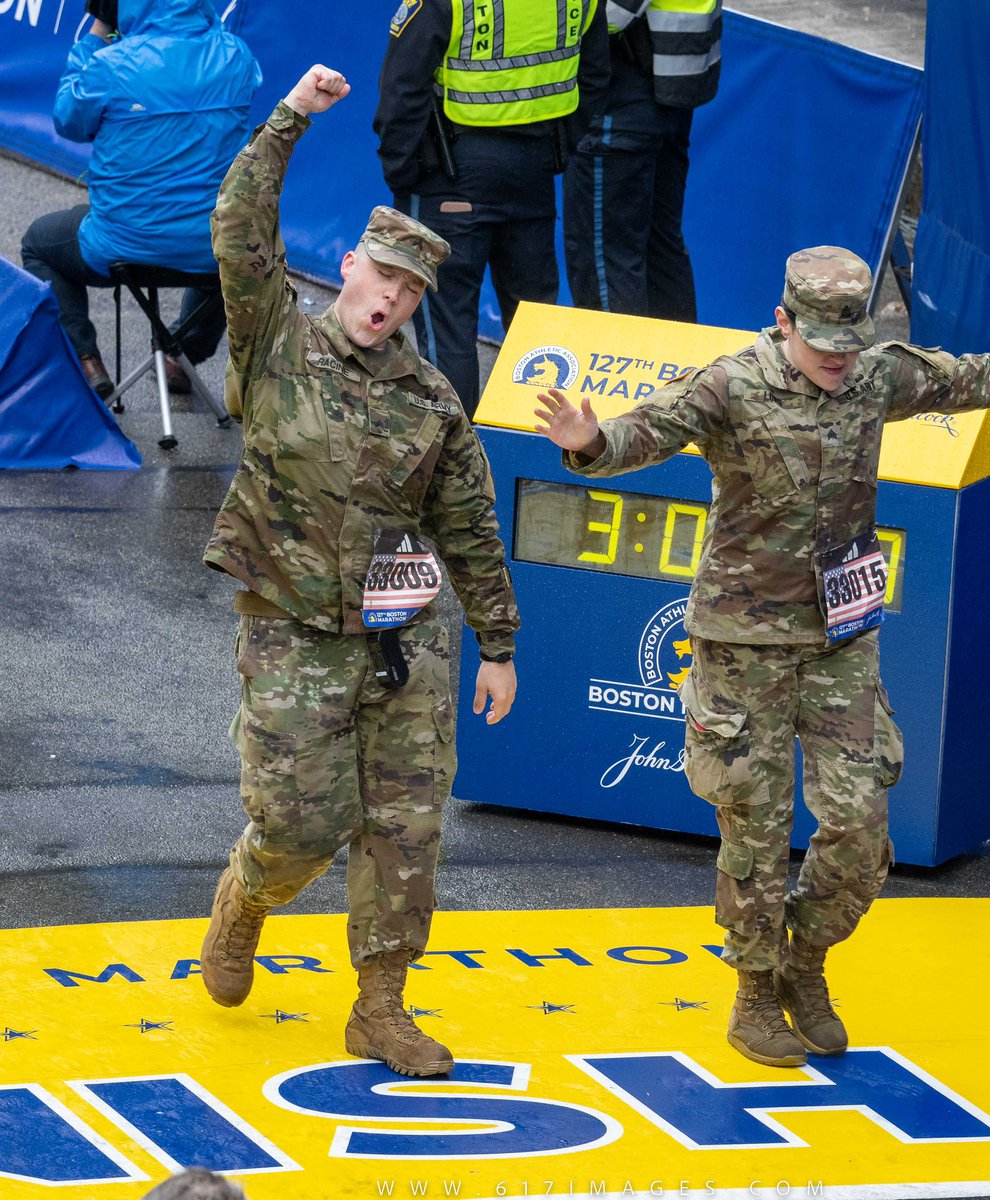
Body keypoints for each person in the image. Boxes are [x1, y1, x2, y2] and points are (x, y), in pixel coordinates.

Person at [534, 246, 990, 1069]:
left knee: (861, 827)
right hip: (742, 642)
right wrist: (589, 442)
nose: (837, 362)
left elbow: (984, 377)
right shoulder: (733, 383)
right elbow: (647, 428)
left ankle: (805, 959)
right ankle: (754, 993)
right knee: (753, 828)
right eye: (821, 346)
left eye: (848, 346)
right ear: (784, 322)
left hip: (840, 639)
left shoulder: (877, 374)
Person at [198, 64, 520, 1079]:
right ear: (350, 267)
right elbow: (238, 226)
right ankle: (249, 895)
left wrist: (499, 644)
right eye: (383, 278)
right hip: (293, 624)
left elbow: (469, 522)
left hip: (403, 639)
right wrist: (291, 118)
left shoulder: (431, 400)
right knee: (299, 823)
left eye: (412, 290)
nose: (391, 300)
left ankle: (380, 1006)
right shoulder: (274, 344)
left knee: (406, 826)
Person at [373, 0, 609, 418]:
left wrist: (404, 172)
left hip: (449, 173)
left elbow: (402, 85)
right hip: (534, 170)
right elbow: (594, 76)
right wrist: (557, 151)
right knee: (536, 333)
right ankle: (537, 466)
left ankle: (456, 466)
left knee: (447, 331)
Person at [19, 0, 260, 398]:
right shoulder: (235, 56)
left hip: (118, 246)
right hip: (209, 247)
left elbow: (67, 118)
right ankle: (178, 354)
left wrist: (98, 31)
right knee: (235, 248)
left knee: (39, 244)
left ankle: (86, 360)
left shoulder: (109, 65)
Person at [563, 0, 721, 323]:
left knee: (605, 263)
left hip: (622, 98)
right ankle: (684, 372)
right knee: (660, 247)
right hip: (670, 81)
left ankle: (613, 365)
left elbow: (603, 14)